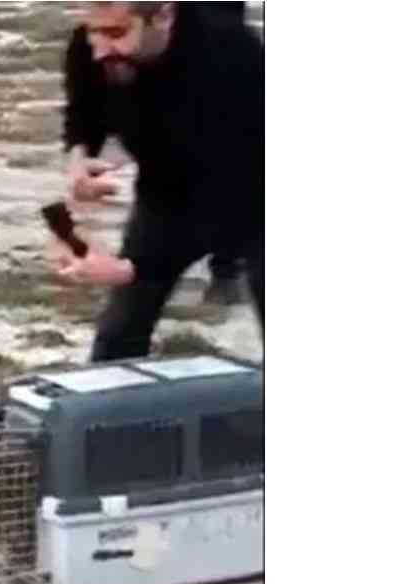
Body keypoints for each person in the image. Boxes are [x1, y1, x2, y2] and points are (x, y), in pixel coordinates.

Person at [53, 2, 264, 362]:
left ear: (163, 17)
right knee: (118, 337)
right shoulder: (92, 43)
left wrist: (133, 267)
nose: (100, 48)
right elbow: (84, 111)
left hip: (256, 193)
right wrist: (79, 160)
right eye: (93, 31)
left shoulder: (233, 56)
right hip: (163, 192)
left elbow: (231, 189)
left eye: (116, 33)